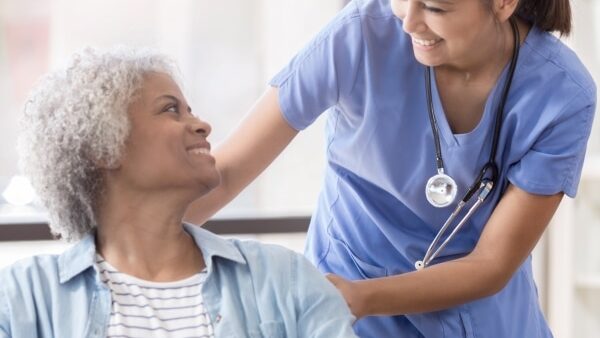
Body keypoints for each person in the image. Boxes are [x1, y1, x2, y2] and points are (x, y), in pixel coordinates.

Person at [184, 0, 597, 337]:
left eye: (435, 8)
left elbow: (491, 263)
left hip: (480, 321)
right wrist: (131, 247)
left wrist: (359, 297)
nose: (409, 21)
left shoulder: (562, 94)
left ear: (504, 3)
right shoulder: (360, 34)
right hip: (343, 316)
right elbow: (228, 171)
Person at [0, 47, 358, 338]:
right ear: (105, 148)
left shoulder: (285, 279)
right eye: (171, 109)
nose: (202, 124)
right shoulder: (23, 297)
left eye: (190, 109)